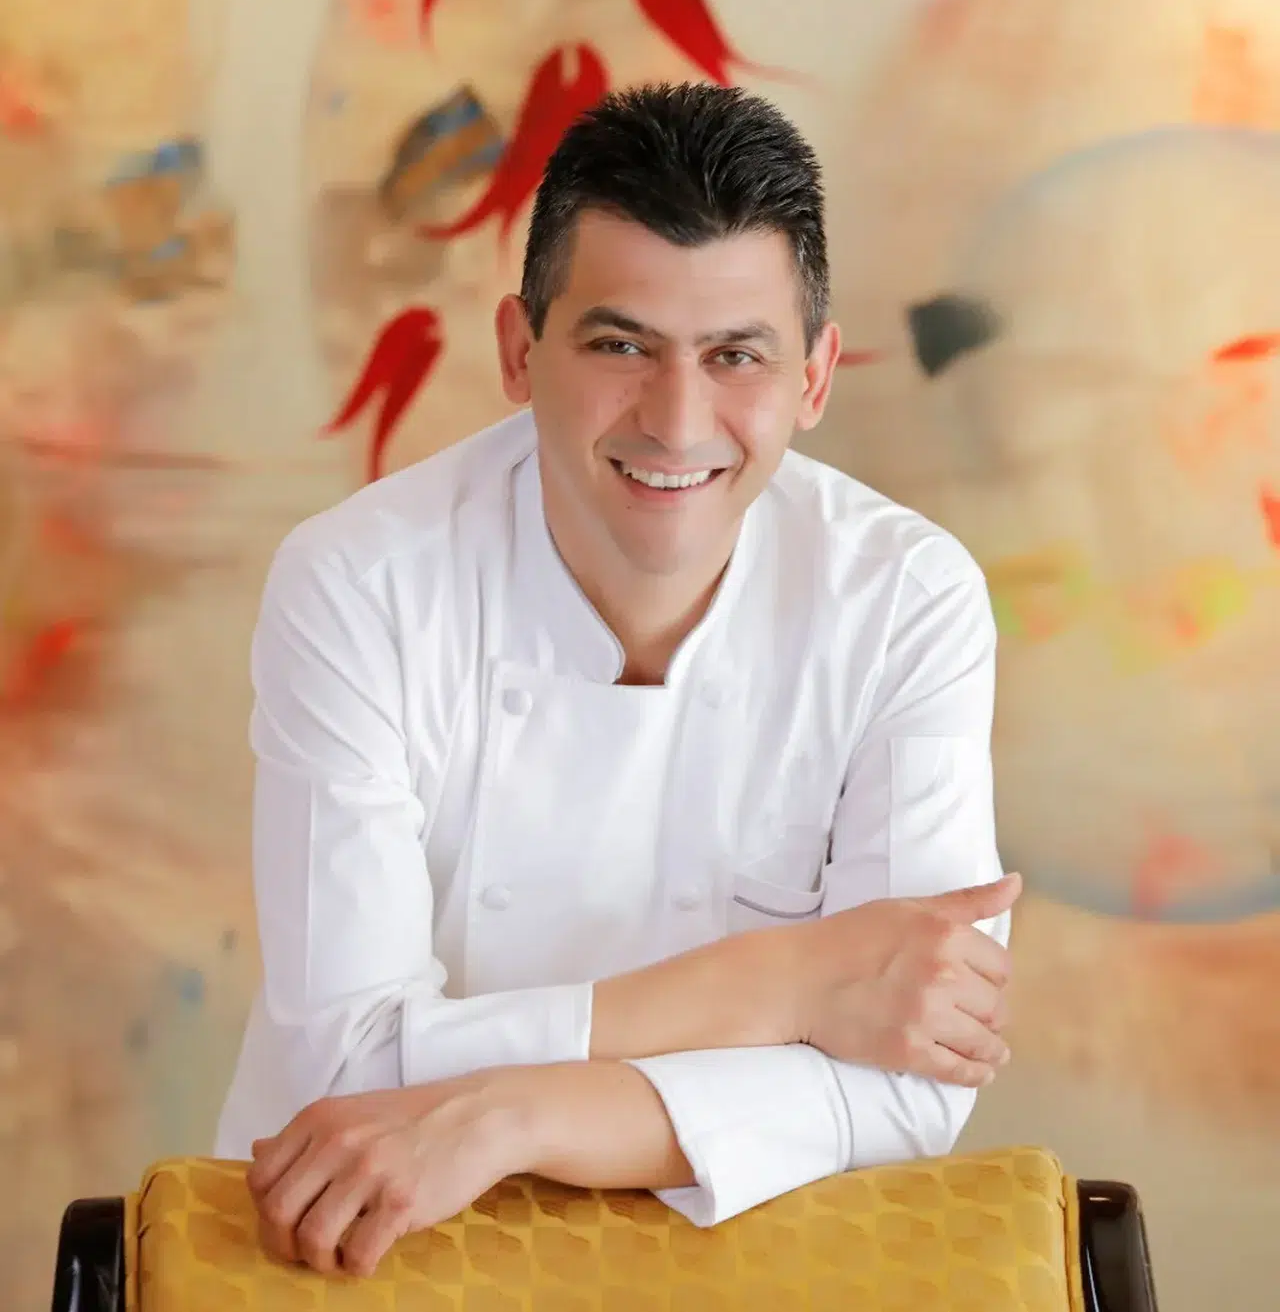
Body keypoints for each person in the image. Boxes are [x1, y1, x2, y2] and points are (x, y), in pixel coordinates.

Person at [217, 81, 1020, 1278]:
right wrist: (786, 980)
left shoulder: (903, 599)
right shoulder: (359, 584)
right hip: (368, 1241)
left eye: (735, 355)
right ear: (517, 350)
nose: (676, 419)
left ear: (813, 377)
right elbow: (347, 1063)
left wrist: (510, 1117)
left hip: (746, 1260)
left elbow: (912, 1085)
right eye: (618, 344)